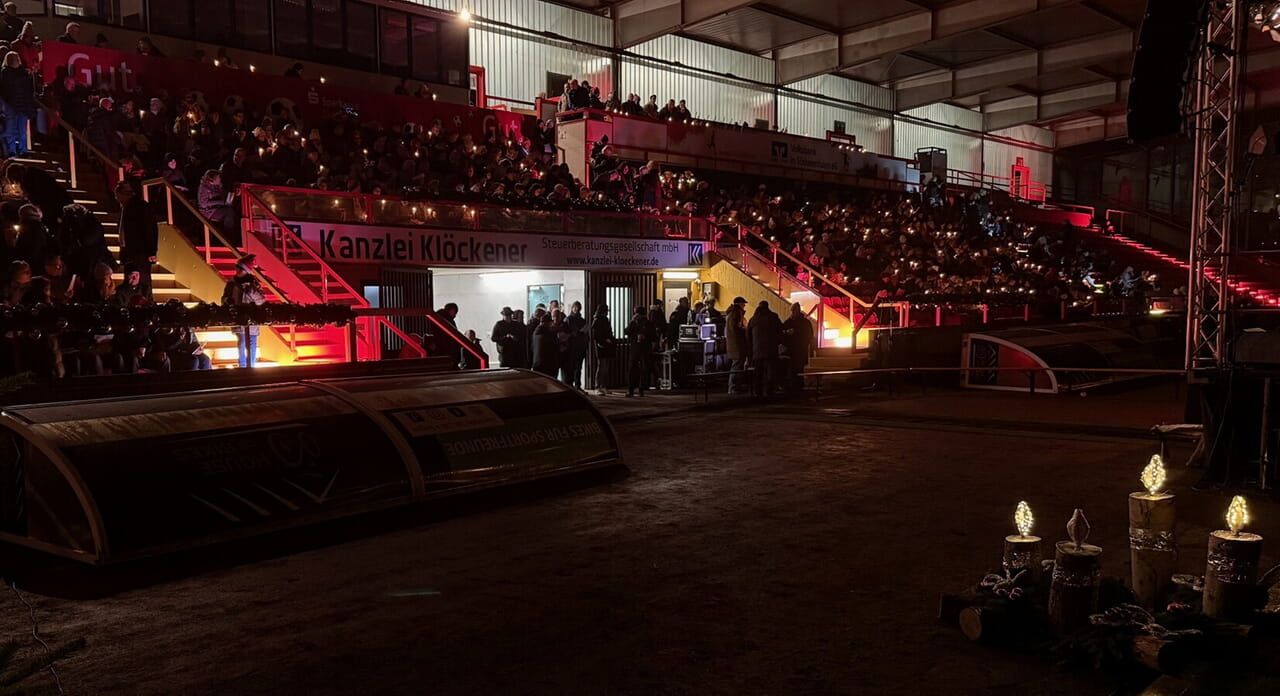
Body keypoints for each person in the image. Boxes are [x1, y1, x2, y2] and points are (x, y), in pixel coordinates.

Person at [222, 255, 265, 367]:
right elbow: (224, 298)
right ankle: (242, 366)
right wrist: (228, 302)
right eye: (237, 267)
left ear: (246, 270)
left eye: (240, 268)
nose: (237, 270)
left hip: (252, 320)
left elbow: (262, 301)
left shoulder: (254, 284)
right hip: (238, 318)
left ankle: (251, 366)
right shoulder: (231, 284)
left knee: (251, 344)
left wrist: (252, 292)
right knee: (241, 343)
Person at [115, 181, 157, 295]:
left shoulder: (141, 207)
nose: (116, 198)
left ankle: (145, 303)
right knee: (130, 282)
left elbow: (150, 229)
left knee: (142, 282)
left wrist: (151, 251)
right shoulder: (124, 209)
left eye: (117, 195)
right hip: (128, 251)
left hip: (140, 252)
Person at [0, 51, 36, 156]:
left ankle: (22, 149)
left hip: (22, 106)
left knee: (22, 130)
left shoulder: (24, 73)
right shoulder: (5, 73)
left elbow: (29, 91)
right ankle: (12, 150)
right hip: (10, 105)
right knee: (10, 129)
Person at [747, 301, 782, 398]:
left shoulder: (753, 319)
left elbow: (748, 337)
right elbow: (780, 331)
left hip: (757, 351)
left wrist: (751, 351)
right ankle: (769, 391)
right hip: (771, 351)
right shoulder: (773, 317)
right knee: (770, 372)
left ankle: (758, 392)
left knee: (758, 373)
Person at [781, 302, 814, 395]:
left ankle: (795, 387)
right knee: (797, 369)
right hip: (799, 349)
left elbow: (782, 334)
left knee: (795, 369)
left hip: (795, 349)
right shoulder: (805, 322)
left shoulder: (790, 322)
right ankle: (798, 387)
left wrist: (787, 336)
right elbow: (809, 335)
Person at [624, 307, 655, 397]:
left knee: (637, 369)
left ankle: (635, 389)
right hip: (640, 348)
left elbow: (653, 336)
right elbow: (626, 331)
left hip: (640, 348)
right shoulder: (635, 323)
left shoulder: (647, 323)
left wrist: (645, 336)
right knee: (639, 369)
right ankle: (636, 389)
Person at [725, 296, 749, 394]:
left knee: (737, 365)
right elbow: (737, 329)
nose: (744, 306)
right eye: (743, 304)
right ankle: (733, 387)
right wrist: (745, 330)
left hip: (734, 345)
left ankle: (734, 386)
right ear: (739, 304)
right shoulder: (735, 314)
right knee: (737, 366)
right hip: (737, 345)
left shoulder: (731, 314)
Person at [562, 300, 588, 388]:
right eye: (575, 307)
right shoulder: (568, 319)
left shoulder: (582, 320)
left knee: (578, 368)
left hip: (580, 347)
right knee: (572, 368)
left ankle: (577, 385)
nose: (577, 309)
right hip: (572, 347)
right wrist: (579, 332)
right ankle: (572, 386)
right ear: (572, 308)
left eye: (578, 307)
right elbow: (569, 333)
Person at [591, 304, 615, 395]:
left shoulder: (604, 320)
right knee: (601, 366)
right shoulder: (597, 320)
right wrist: (603, 340)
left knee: (605, 366)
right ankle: (598, 386)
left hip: (606, 345)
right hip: (600, 345)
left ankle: (603, 386)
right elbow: (595, 335)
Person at [531, 313, 559, 377]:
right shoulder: (545, 334)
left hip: (538, 364)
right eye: (550, 323)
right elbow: (552, 344)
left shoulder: (536, 332)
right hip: (545, 365)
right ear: (546, 323)